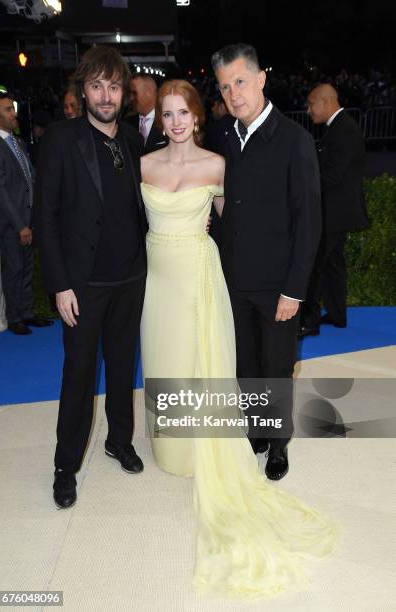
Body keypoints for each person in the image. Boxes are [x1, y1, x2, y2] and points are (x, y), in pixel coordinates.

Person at [140, 78, 336, 598]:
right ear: (160, 119)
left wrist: (286, 282)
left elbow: (251, 217)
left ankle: (275, 443)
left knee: (248, 360)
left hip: (220, 276)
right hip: (162, 281)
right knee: (179, 355)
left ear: (199, 116)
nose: (177, 121)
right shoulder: (145, 165)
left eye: (185, 111)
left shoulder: (226, 160)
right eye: (168, 113)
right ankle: (187, 438)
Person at [34, 46, 147, 509]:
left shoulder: (133, 142)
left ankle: (119, 440)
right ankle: (65, 465)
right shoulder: (61, 139)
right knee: (78, 375)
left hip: (131, 278)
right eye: (97, 85)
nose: (106, 95)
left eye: (114, 86)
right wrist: (60, 284)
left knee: (123, 368)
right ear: (84, 90)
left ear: (124, 93)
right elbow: (46, 217)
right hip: (82, 285)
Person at [211, 43, 322, 477]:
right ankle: (257, 430)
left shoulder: (295, 140)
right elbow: (226, 206)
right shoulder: (224, 137)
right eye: (224, 87)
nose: (233, 93)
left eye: (240, 81)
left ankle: (278, 443)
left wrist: (295, 289)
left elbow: (309, 222)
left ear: (260, 79)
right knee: (247, 365)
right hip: (235, 280)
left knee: (276, 367)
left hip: (278, 285)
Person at [299, 83, 369, 336]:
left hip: (334, 213)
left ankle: (309, 321)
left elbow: (332, 174)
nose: (308, 110)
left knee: (316, 265)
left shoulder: (343, 130)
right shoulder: (340, 128)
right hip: (337, 211)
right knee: (333, 264)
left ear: (326, 102)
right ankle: (338, 314)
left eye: (311, 104)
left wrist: (304, 185)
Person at [0, 91, 53, 335]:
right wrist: (20, 225)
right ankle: (15, 316)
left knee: (28, 268)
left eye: (12, 108)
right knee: (15, 269)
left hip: (28, 218)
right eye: (8, 110)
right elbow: (0, 190)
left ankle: (27, 312)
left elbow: (30, 177)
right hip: (11, 223)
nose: (14, 113)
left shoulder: (17, 142)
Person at [127, 74, 167, 153]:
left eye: (134, 93)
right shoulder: (126, 123)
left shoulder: (168, 122)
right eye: (130, 93)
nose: (131, 98)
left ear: (149, 93)